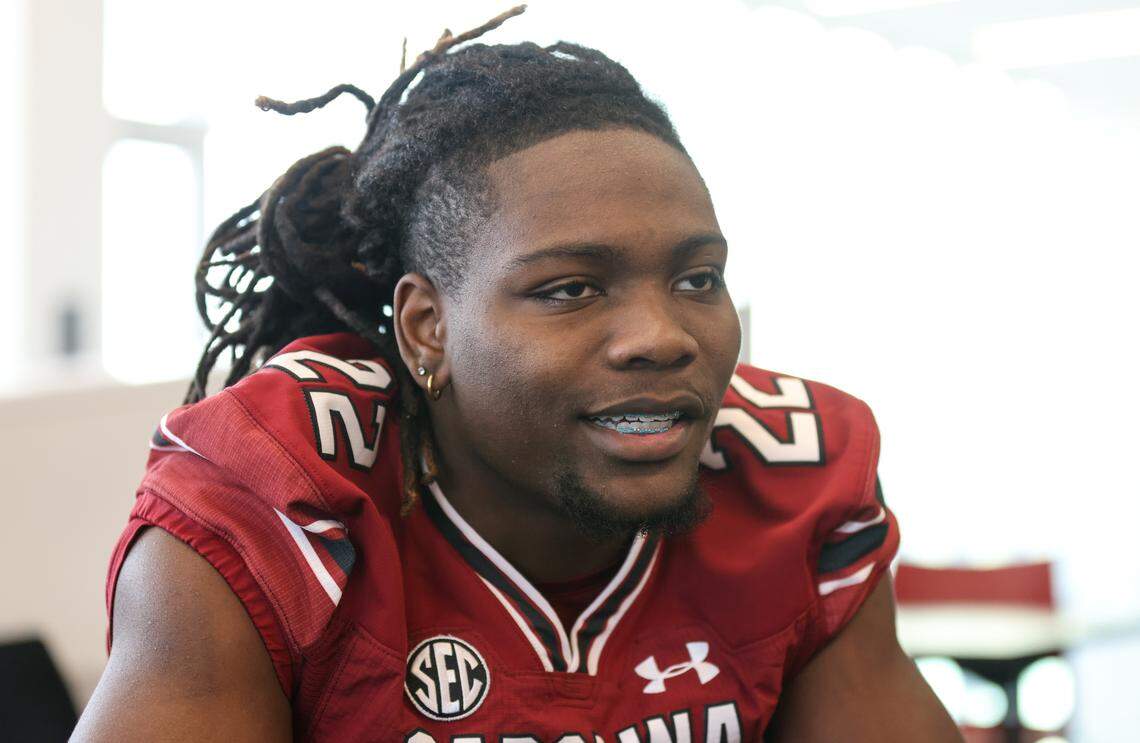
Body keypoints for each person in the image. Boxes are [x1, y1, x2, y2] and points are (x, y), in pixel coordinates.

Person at [73, 6, 961, 742]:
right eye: (570, 289)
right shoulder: (279, 495)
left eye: (697, 278)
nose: (660, 336)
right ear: (429, 329)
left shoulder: (791, 480)